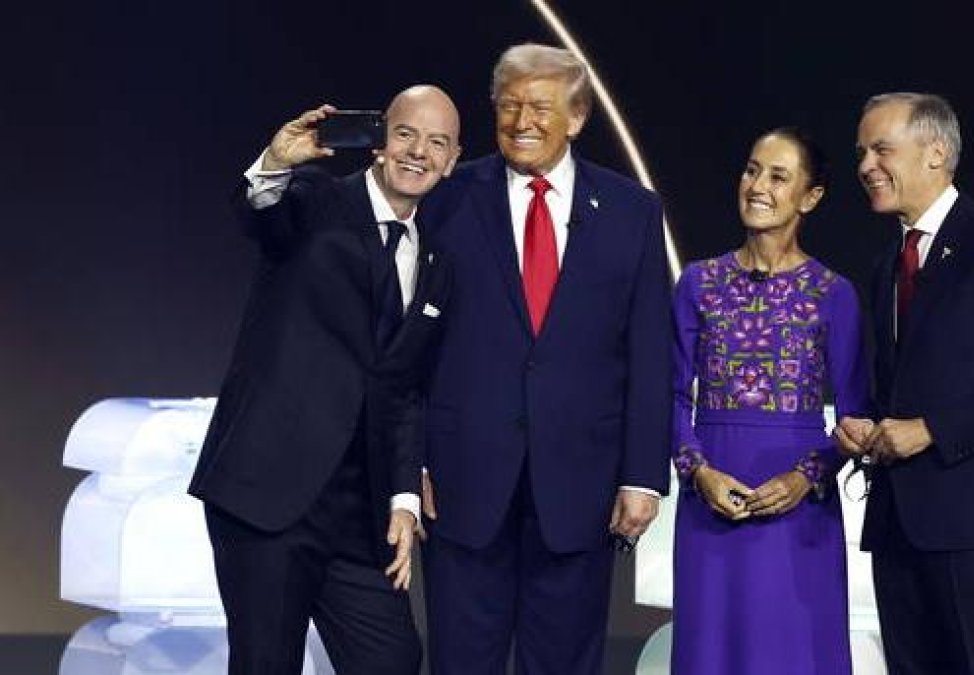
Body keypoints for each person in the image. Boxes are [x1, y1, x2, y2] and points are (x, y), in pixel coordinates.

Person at [415, 43, 673, 675]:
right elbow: (410, 347)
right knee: (460, 659)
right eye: (508, 105)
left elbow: (648, 354)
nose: (521, 120)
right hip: (461, 480)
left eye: (540, 106)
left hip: (579, 487)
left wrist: (642, 476)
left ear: (577, 116)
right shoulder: (447, 199)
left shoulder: (631, 212)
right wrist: (411, 458)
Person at [188, 85, 462, 674]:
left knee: (392, 659)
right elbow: (261, 216)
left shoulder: (437, 263)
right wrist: (276, 164)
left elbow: (407, 387)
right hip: (266, 497)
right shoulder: (315, 201)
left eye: (437, 143)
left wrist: (404, 499)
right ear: (379, 142)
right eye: (406, 134)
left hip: (358, 514)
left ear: (453, 161)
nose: (419, 152)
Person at [835, 92, 974, 675]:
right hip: (898, 524)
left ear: (936, 153)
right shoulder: (889, 261)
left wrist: (930, 430)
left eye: (881, 149)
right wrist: (866, 424)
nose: (865, 166)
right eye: (861, 152)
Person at [670, 128, 870, 674]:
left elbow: (856, 415)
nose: (757, 185)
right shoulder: (697, 283)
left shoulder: (834, 293)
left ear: (810, 197)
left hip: (798, 509)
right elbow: (667, 395)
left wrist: (806, 476)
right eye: (752, 169)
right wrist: (698, 472)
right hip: (711, 501)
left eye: (778, 176)